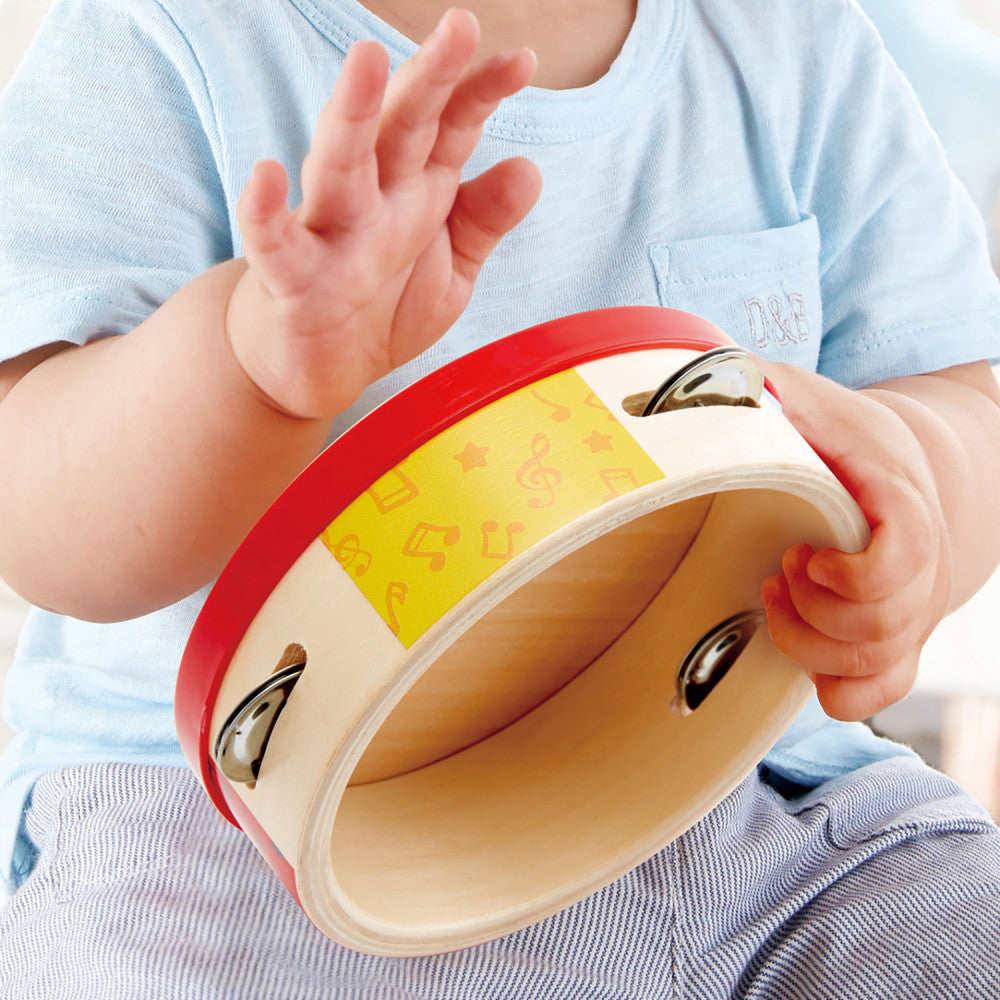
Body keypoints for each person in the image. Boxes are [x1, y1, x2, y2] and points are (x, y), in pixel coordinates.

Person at [0, 0, 999, 996]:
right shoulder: (163, 34)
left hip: (763, 794)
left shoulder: (796, 39)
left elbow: (951, 392)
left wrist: (913, 500)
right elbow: (36, 505)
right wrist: (255, 368)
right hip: (274, 834)